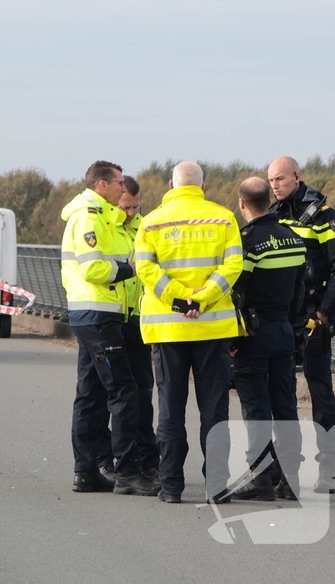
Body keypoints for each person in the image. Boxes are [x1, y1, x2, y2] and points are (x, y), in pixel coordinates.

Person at [134, 162, 243, 504]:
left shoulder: (151, 222)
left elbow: (145, 269)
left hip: (168, 330)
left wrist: (179, 300)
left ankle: (171, 487)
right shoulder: (224, 218)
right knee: (215, 411)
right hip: (212, 329)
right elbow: (233, 266)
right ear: (203, 186)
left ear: (171, 184)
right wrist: (203, 298)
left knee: (170, 410)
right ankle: (217, 487)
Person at [61, 161, 160, 497]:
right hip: (99, 312)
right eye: (119, 182)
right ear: (102, 184)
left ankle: (86, 471)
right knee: (124, 390)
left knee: (90, 394)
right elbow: (92, 268)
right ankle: (127, 471)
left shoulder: (102, 216)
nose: (123, 188)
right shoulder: (90, 216)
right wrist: (128, 268)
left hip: (97, 314)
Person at [268, 156, 335, 493]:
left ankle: (328, 470)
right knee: (282, 394)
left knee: (320, 393)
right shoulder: (272, 216)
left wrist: (324, 314)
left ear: (297, 176)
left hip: (314, 317)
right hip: (284, 318)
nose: (275, 185)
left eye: (280, 179)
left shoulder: (324, 216)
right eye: (271, 180)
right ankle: (286, 469)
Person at [229, 177, 306, 501]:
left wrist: (232, 339)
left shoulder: (247, 242)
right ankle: (289, 480)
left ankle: (260, 480)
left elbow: (237, 293)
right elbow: (301, 292)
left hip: (254, 335)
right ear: (269, 202)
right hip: (285, 332)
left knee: (256, 409)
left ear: (242, 204)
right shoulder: (294, 238)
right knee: (286, 407)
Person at [119, 176, 159, 479]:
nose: (131, 212)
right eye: (126, 207)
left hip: (140, 320)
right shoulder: (108, 227)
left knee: (144, 393)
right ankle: (115, 458)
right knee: (117, 395)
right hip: (112, 319)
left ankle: (148, 459)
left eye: (135, 206)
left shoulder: (149, 226)